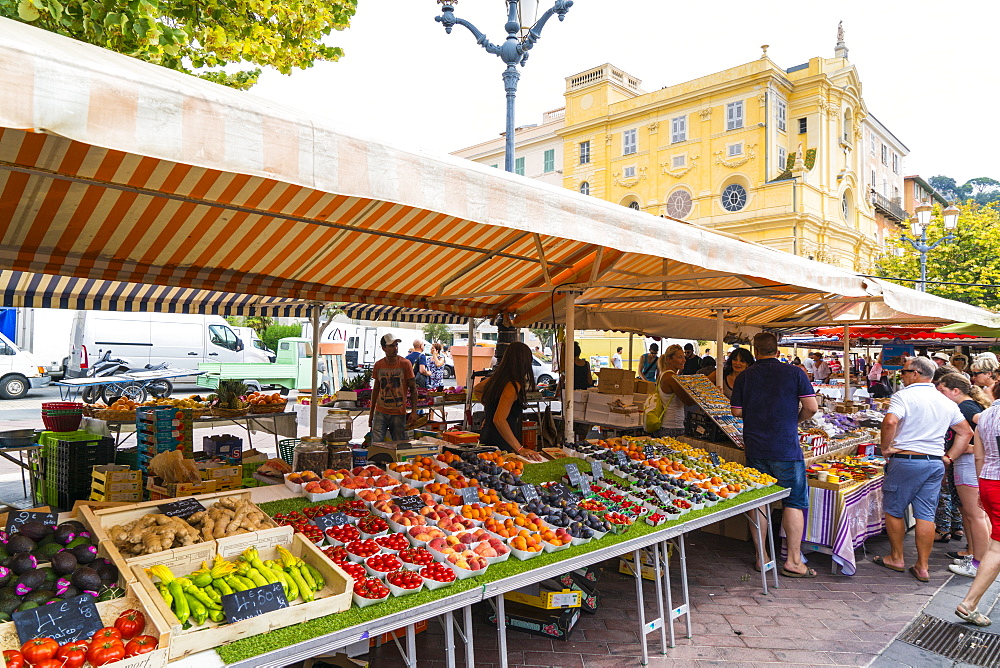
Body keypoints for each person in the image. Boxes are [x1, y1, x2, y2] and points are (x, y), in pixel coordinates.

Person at [874, 356, 974, 582]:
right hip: (934, 462)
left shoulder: (904, 395)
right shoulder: (945, 401)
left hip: (908, 460)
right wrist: (948, 457)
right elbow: (965, 432)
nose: (902, 375)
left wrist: (886, 447)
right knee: (926, 515)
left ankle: (897, 558)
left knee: (894, 509)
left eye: (904, 371)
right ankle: (922, 565)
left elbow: (890, 422)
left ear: (916, 373)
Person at [731, 332, 817, 577]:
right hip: (786, 448)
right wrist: (795, 420)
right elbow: (811, 407)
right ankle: (793, 561)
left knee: (759, 500)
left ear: (755, 352)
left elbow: (737, 411)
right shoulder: (795, 373)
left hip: (756, 447)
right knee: (794, 502)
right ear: (777, 351)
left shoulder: (745, 376)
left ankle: (762, 557)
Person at [935, 373, 992, 576]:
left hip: (969, 464)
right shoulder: (968, 405)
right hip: (969, 464)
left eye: (942, 391)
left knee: (976, 515)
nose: (940, 395)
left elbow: (984, 428)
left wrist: (973, 447)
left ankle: (980, 563)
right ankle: (977, 557)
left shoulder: (966, 407)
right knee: (974, 514)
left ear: (955, 391)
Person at [955, 380, 1000, 626]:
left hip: (989, 481)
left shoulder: (986, 415)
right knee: (997, 548)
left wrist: (983, 488)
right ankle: (970, 602)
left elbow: (980, 457)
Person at [473, 342, 544, 462]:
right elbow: (499, 420)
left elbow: (478, 389)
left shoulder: (498, 377)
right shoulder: (512, 384)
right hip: (501, 442)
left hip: (488, 437)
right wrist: (520, 449)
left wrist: (491, 410)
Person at [369, 334, 418, 442]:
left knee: (398, 444)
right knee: (376, 444)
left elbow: (413, 389)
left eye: (396, 345)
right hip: (380, 411)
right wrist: (371, 413)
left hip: (398, 412)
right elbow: (376, 389)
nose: (395, 348)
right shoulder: (379, 365)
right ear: (384, 348)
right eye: (391, 346)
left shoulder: (405, 364)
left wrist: (414, 411)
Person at [653, 344, 694, 438]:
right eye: (680, 357)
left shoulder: (663, 375)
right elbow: (688, 401)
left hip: (664, 424)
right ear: (669, 359)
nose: (684, 360)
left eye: (684, 357)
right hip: (672, 426)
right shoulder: (671, 378)